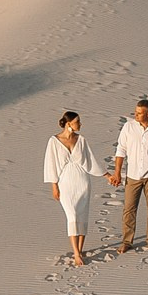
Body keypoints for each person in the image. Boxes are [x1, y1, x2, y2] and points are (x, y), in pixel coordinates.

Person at [108, 96, 148, 252]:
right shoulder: (128, 127)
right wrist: (117, 173)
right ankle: (127, 241)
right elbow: (120, 150)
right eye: (135, 112)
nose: (136, 115)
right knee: (129, 209)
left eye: (139, 113)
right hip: (133, 175)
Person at [42, 110, 102, 267]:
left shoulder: (81, 140)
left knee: (82, 216)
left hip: (83, 182)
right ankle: (75, 252)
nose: (80, 124)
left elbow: (91, 162)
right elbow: (51, 165)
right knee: (73, 216)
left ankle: (79, 250)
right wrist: (54, 186)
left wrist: (107, 175)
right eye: (77, 122)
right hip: (65, 184)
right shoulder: (54, 141)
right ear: (69, 124)